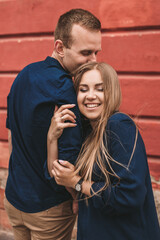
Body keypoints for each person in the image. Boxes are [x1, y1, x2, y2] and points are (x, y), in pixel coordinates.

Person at [4, 9, 101, 240]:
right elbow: (64, 163)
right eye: (86, 52)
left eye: (96, 52)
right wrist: (76, 195)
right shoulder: (65, 89)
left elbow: (11, 135)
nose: (94, 60)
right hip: (49, 208)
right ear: (60, 48)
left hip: (14, 199)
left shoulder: (23, 75)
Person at [48, 62, 160, 240]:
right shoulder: (87, 131)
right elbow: (58, 174)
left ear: (112, 92)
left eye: (99, 89)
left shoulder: (119, 126)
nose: (90, 96)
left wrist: (77, 182)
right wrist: (52, 137)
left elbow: (128, 195)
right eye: (83, 90)